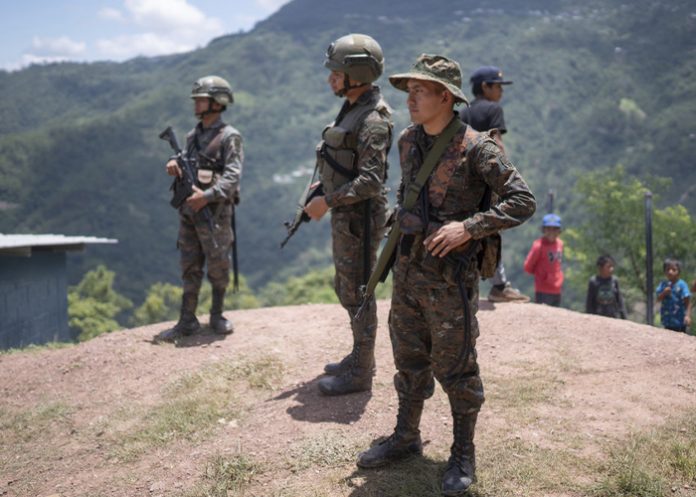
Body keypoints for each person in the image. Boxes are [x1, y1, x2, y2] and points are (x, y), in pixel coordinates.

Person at [355, 54, 535, 496]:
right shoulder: (407, 141)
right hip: (409, 270)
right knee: (408, 357)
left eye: (420, 90)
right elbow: (408, 194)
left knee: (457, 368)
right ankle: (406, 436)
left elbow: (522, 201)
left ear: (446, 97)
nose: (411, 98)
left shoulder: (478, 148)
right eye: (409, 90)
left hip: (451, 281)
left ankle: (462, 452)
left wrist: (468, 227)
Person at [303, 34, 392, 396]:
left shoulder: (372, 118)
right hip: (348, 215)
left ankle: (361, 371)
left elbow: (371, 180)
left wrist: (329, 202)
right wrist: (322, 190)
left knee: (358, 291)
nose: (331, 79)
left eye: (337, 72)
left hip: (361, 220)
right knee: (347, 287)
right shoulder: (353, 106)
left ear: (356, 73)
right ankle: (358, 355)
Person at [161, 75, 242, 341]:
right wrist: (174, 161)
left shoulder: (230, 137)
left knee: (218, 265)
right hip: (189, 213)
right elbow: (186, 160)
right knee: (189, 265)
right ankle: (187, 319)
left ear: (217, 102)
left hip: (215, 214)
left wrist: (207, 196)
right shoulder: (192, 136)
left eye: (201, 99)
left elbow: (232, 177)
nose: (196, 103)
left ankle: (217, 315)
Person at [460, 65, 529, 303]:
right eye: (497, 85)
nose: (500, 91)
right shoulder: (493, 109)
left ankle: (468, 279)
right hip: (488, 179)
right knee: (491, 228)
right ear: (485, 87)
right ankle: (499, 286)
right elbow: (496, 144)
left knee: (466, 226)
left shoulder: (463, 112)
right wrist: (506, 178)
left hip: (465, 180)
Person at [524, 213, 564, 307]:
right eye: (548, 229)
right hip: (543, 289)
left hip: (557, 288)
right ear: (543, 230)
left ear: (559, 231)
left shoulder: (560, 244)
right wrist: (542, 275)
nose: (552, 232)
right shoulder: (538, 246)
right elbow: (527, 267)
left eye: (555, 229)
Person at [585, 254, 627, 319]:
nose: (611, 269)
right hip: (598, 317)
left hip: (613, 317)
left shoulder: (614, 281)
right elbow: (589, 303)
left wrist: (624, 317)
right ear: (600, 268)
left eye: (612, 266)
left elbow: (620, 301)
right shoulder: (593, 281)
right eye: (608, 267)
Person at [656, 258, 691, 333]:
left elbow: (687, 302)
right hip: (667, 321)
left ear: (678, 272)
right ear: (664, 271)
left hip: (680, 322)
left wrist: (687, 316)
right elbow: (658, 299)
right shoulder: (663, 284)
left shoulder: (682, 285)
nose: (670, 272)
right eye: (668, 269)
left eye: (673, 269)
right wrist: (663, 293)